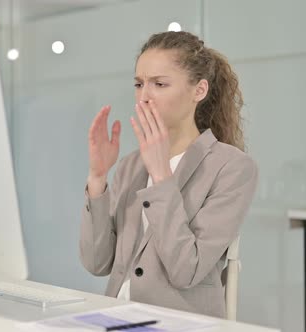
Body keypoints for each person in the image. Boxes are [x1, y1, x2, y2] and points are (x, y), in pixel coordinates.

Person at [79, 30, 258, 318]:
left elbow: (187, 271)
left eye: (159, 84)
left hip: (179, 322)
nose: (144, 96)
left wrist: (162, 175)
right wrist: (98, 178)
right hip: (115, 316)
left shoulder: (232, 168)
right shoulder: (130, 165)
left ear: (199, 91)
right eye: (139, 84)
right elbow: (97, 263)